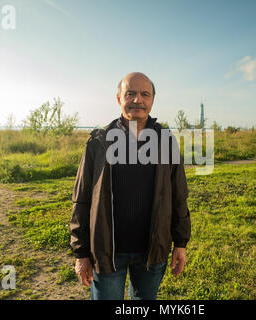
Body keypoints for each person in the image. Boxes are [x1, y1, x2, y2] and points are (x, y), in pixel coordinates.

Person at [70, 72, 191, 300]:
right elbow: (82, 198)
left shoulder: (165, 141)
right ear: (119, 99)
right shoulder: (100, 141)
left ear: (153, 100)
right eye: (130, 94)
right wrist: (81, 253)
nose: (138, 100)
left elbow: (179, 195)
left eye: (145, 94)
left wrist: (181, 243)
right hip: (107, 253)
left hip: (152, 251)